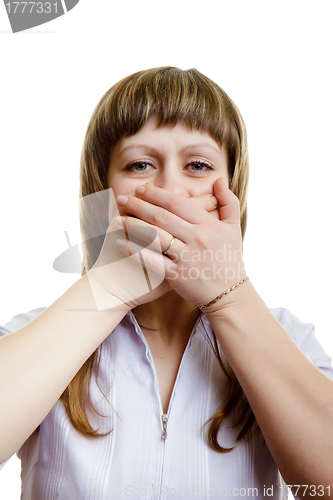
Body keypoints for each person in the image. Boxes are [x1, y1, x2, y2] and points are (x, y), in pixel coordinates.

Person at [0, 66, 333, 500]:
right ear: (103, 192)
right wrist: (108, 291)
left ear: (231, 190)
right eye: (140, 164)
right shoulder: (36, 334)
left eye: (197, 165)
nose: (171, 187)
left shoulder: (288, 338)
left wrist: (230, 297)